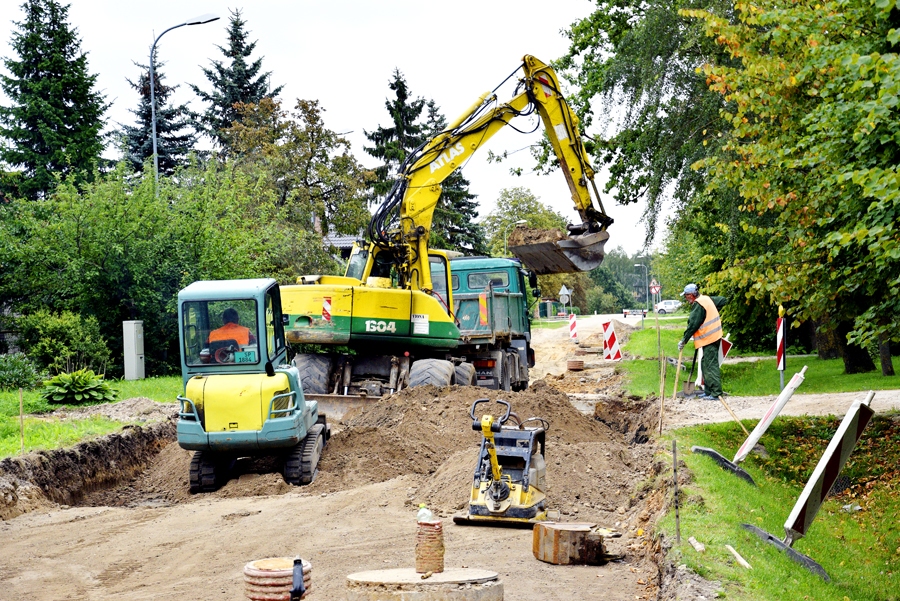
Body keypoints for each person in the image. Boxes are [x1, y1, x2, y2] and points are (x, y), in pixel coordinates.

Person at [678, 284, 729, 400]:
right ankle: (708, 391)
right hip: (712, 337)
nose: (686, 299)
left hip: (710, 338)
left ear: (691, 295)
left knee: (710, 365)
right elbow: (722, 300)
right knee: (704, 363)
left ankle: (716, 393)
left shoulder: (698, 305)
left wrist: (683, 340)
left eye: (686, 296)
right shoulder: (706, 299)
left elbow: (692, 325)